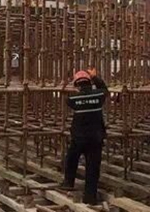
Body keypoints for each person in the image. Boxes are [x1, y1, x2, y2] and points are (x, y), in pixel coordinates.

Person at [60, 70, 107, 205]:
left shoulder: (74, 99)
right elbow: (104, 89)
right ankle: (90, 197)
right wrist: (95, 77)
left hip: (79, 137)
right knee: (93, 168)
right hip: (96, 138)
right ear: (90, 83)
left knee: (71, 159)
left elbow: (66, 98)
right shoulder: (98, 95)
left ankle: (68, 183)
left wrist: (66, 86)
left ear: (77, 85)